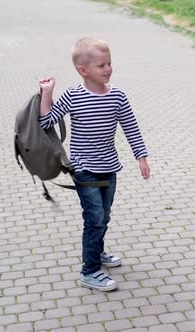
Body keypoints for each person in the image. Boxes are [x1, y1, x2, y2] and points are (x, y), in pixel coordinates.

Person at [38, 37, 150, 292]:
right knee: (95, 218)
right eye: (102, 65)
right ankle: (89, 271)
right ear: (83, 70)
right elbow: (47, 123)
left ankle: (97, 252)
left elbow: (131, 128)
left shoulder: (118, 96)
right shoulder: (73, 96)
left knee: (104, 215)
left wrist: (141, 156)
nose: (108, 69)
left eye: (109, 63)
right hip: (84, 169)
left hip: (109, 168)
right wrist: (48, 94)